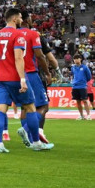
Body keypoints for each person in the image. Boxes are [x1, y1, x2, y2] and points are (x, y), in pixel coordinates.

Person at [0, 8, 46, 153]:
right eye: (20, 17)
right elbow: (18, 58)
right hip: (14, 77)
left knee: (1, 110)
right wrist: (22, 79)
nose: (22, 19)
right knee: (31, 108)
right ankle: (36, 142)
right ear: (14, 19)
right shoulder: (18, 34)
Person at [19, 10, 56, 146]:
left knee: (25, 107)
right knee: (43, 106)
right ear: (26, 20)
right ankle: (26, 129)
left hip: (17, 75)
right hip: (31, 73)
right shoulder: (33, 34)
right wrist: (47, 73)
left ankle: (31, 138)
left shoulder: (13, 35)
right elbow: (40, 56)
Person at [72, 55, 93, 120]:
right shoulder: (73, 68)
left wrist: (83, 82)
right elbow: (73, 75)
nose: (75, 60)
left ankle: (88, 115)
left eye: (77, 59)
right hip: (75, 86)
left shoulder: (85, 67)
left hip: (82, 86)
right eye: (74, 59)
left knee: (84, 100)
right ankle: (81, 115)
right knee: (78, 101)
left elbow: (89, 77)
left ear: (80, 59)